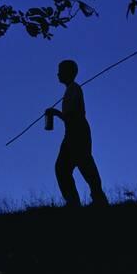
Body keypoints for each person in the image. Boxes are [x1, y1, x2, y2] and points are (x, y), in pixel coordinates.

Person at [45, 60, 110, 208]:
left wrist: (55, 113)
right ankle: (88, 200)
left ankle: (84, 201)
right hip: (74, 132)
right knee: (74, 166)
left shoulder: (74, 89)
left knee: (76, 166)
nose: (58, 74)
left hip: (77, 132)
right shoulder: (70, 90)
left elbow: (72, 116)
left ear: (68, 72)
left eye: (60, 70)